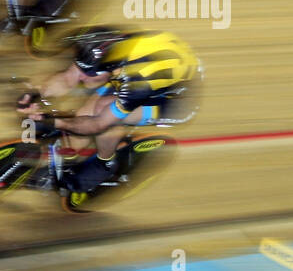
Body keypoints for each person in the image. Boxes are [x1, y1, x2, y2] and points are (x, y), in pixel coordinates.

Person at [16, 27, 200, 191]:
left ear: (108, 69)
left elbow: (99, 124)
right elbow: (69, 77)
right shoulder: (103, 46)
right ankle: (72, 154)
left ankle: (105, 163)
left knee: (106, 116)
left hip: (174, 100)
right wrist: (35, 93)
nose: (83, 80)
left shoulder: (136, 84)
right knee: (84, 114)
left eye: (89, 75)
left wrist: (55, 122)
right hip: (150, 68)